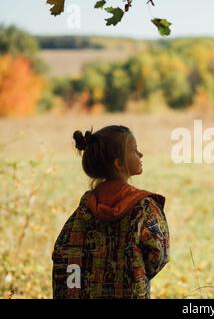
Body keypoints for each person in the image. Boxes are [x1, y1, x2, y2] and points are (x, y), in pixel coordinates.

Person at [52, 125, 169, 298]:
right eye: (135, 150)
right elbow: (159, 255)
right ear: (119, 163)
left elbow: (65, 256)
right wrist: (135, 273)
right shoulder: (144, 207)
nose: (141, 155)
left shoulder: (82, 212)